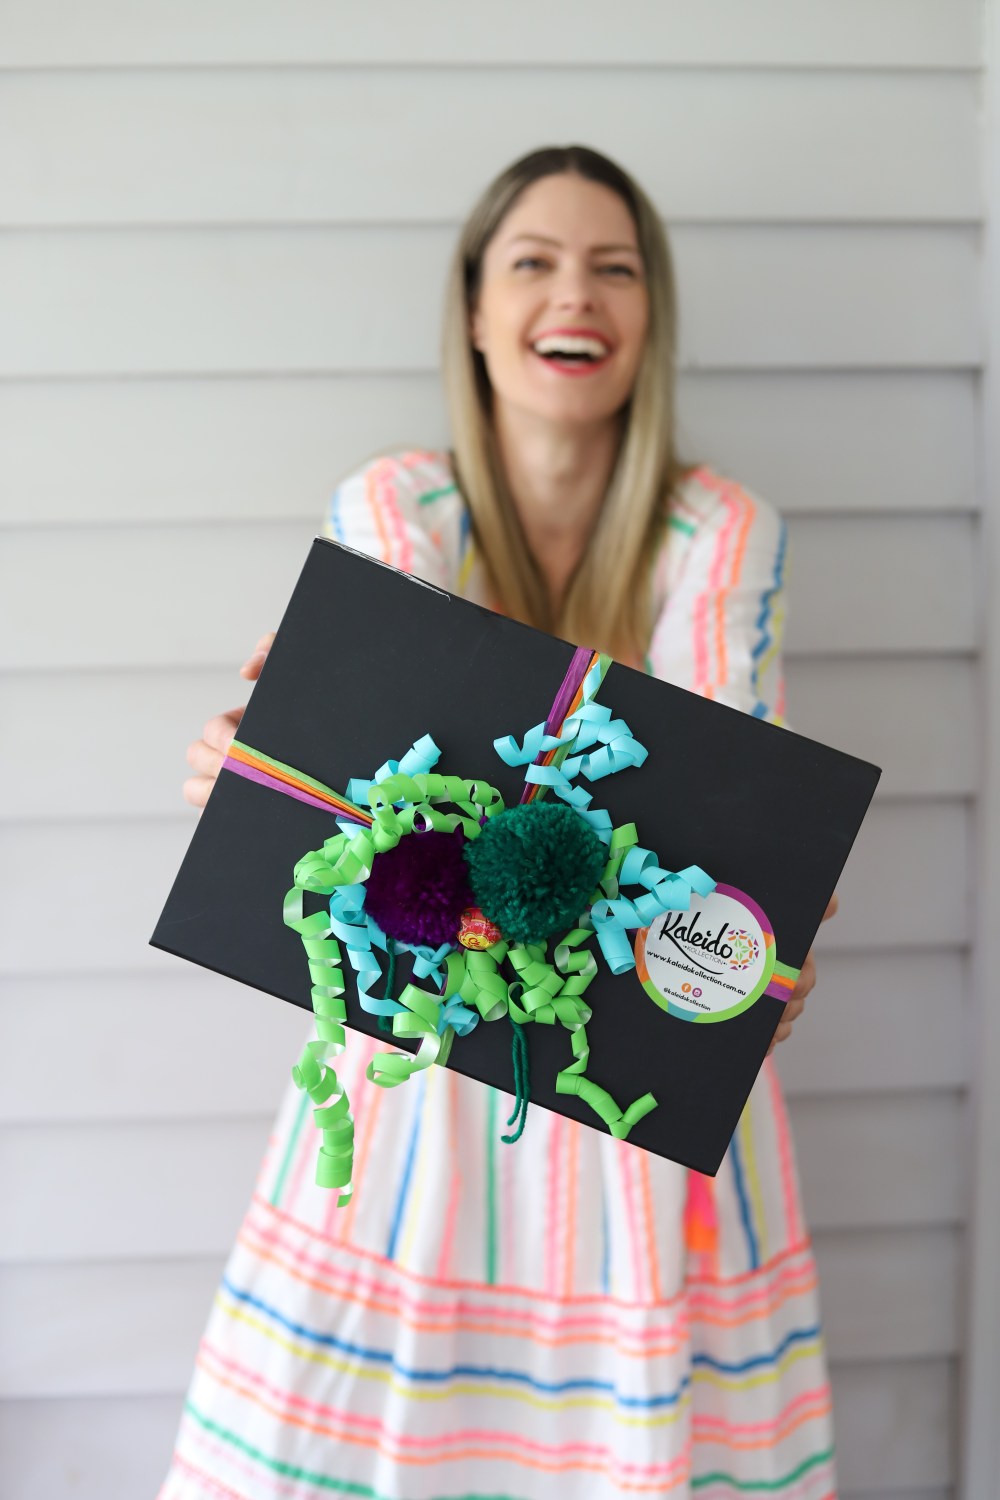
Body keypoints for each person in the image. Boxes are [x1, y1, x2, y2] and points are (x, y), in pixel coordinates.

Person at [165, 145, 838, 1499]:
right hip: (415, 1075)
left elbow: (724, 818)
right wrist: (269, 777)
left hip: (639, 1091)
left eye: (614, 268)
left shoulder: (720, 530)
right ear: (475, 308)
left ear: (650, 316)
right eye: (533, 262)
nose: (573, 294)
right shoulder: (393, 504)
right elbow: (381, 782)